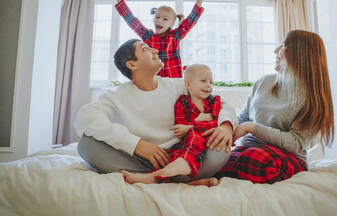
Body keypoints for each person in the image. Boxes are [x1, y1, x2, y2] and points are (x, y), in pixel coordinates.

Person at [75, 39, 237, 186]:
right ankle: (173, 179)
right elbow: (85, 118)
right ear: (132, 64)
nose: (155, 50)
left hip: (185, 155)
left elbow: (221, 103)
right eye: (145, 48)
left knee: (222, 145)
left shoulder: (178, 85)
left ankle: (160, 178)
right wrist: (137, 145)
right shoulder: (116, 96)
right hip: (142, 160)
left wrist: (226, 126)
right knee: (86, 144)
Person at [217, 30, 334, 184]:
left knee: (256, 160)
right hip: (246, 150)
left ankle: (223, 171)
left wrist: (252, 128)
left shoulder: (313, 98)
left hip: (284, 158)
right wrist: (226, 131)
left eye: (283, 45)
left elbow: (296, 143)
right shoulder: (264, 82)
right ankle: (214, 173)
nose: (275, 51)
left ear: (300, 54)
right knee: (211, 154)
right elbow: (242, 118)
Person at [122, 64, 223, 184]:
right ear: (188, 85)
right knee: (169, 156)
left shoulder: (214, 101)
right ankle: (183, 180)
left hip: (209, 144)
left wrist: (192, 126)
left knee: (196, 133)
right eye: (203, 81)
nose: (208, 85)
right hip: (187, 145)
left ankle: (178, 167)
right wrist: (196, 123)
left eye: (211, 82)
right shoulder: (182, 102)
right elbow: (180, 131)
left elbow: (217, 124)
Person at [105, 0, 209, 78]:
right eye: (157, 17)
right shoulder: (148, 36)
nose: (159, 20)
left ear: (172, 24)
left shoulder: (175, 35)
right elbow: (130, 19)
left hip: (173, 83)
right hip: (154, 82)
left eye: (165, 19)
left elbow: (192, 18)